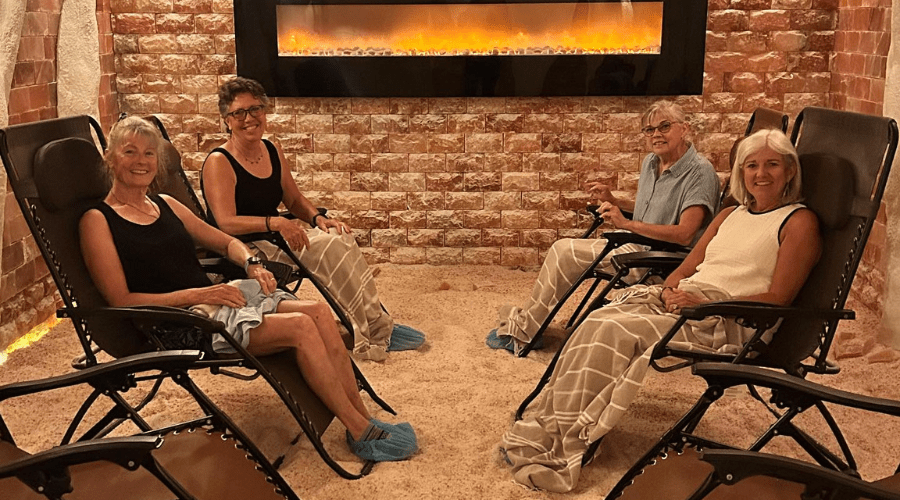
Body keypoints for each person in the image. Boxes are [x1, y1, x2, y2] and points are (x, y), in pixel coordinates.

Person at [499, 128, 822, 492]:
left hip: (730, 319)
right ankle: (550, 424)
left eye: (772, 164)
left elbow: (778, 298)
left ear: (790, 171)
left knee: (614, 331)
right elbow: (686, 268)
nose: (760, 174)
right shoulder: (730, 214)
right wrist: (670, 289)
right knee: (599, 318)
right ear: (741, 172)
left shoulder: (799, 222)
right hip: (687, 301)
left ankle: (571, 440)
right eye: (751, 165)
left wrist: (702, 302)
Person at [79, 116, 417, 462]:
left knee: (317, 312)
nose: (141, 161)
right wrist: (201, 295)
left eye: (149, 153)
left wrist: (251, 262)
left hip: (216, 303)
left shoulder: (165, 203)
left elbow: (226, 242)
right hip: (176, 322)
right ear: (110, 158)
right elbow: (122, 300)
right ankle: (360, 432)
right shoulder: (98, 220)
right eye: (130, 151)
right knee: (301, 327)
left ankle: (360, 418)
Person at [201, 77, 424, 362]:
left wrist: (318, 218)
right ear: (226, 120)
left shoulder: (271, 149)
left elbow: (293, 200)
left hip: (275, 235)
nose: (249, 118)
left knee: (339, 236)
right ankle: (368, 329)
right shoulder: (219, 161)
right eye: (239, 113)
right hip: (245, 249)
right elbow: (224, 223)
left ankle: (372, 322)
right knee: (330, 249)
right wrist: (276, 223)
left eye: (255, 109)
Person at [487, 100, 720, 354]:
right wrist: (615, 200)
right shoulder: (652, 163)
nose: (656, 135)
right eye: (649, 130)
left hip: (659, 260)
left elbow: (685, 234)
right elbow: (651, 214)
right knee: (563, 250)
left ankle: (527, 331)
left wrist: (626, 223)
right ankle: (531, 324)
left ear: (684, 129)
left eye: (664, 127)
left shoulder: (699, 172)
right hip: (634, 243)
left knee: (564, 252)